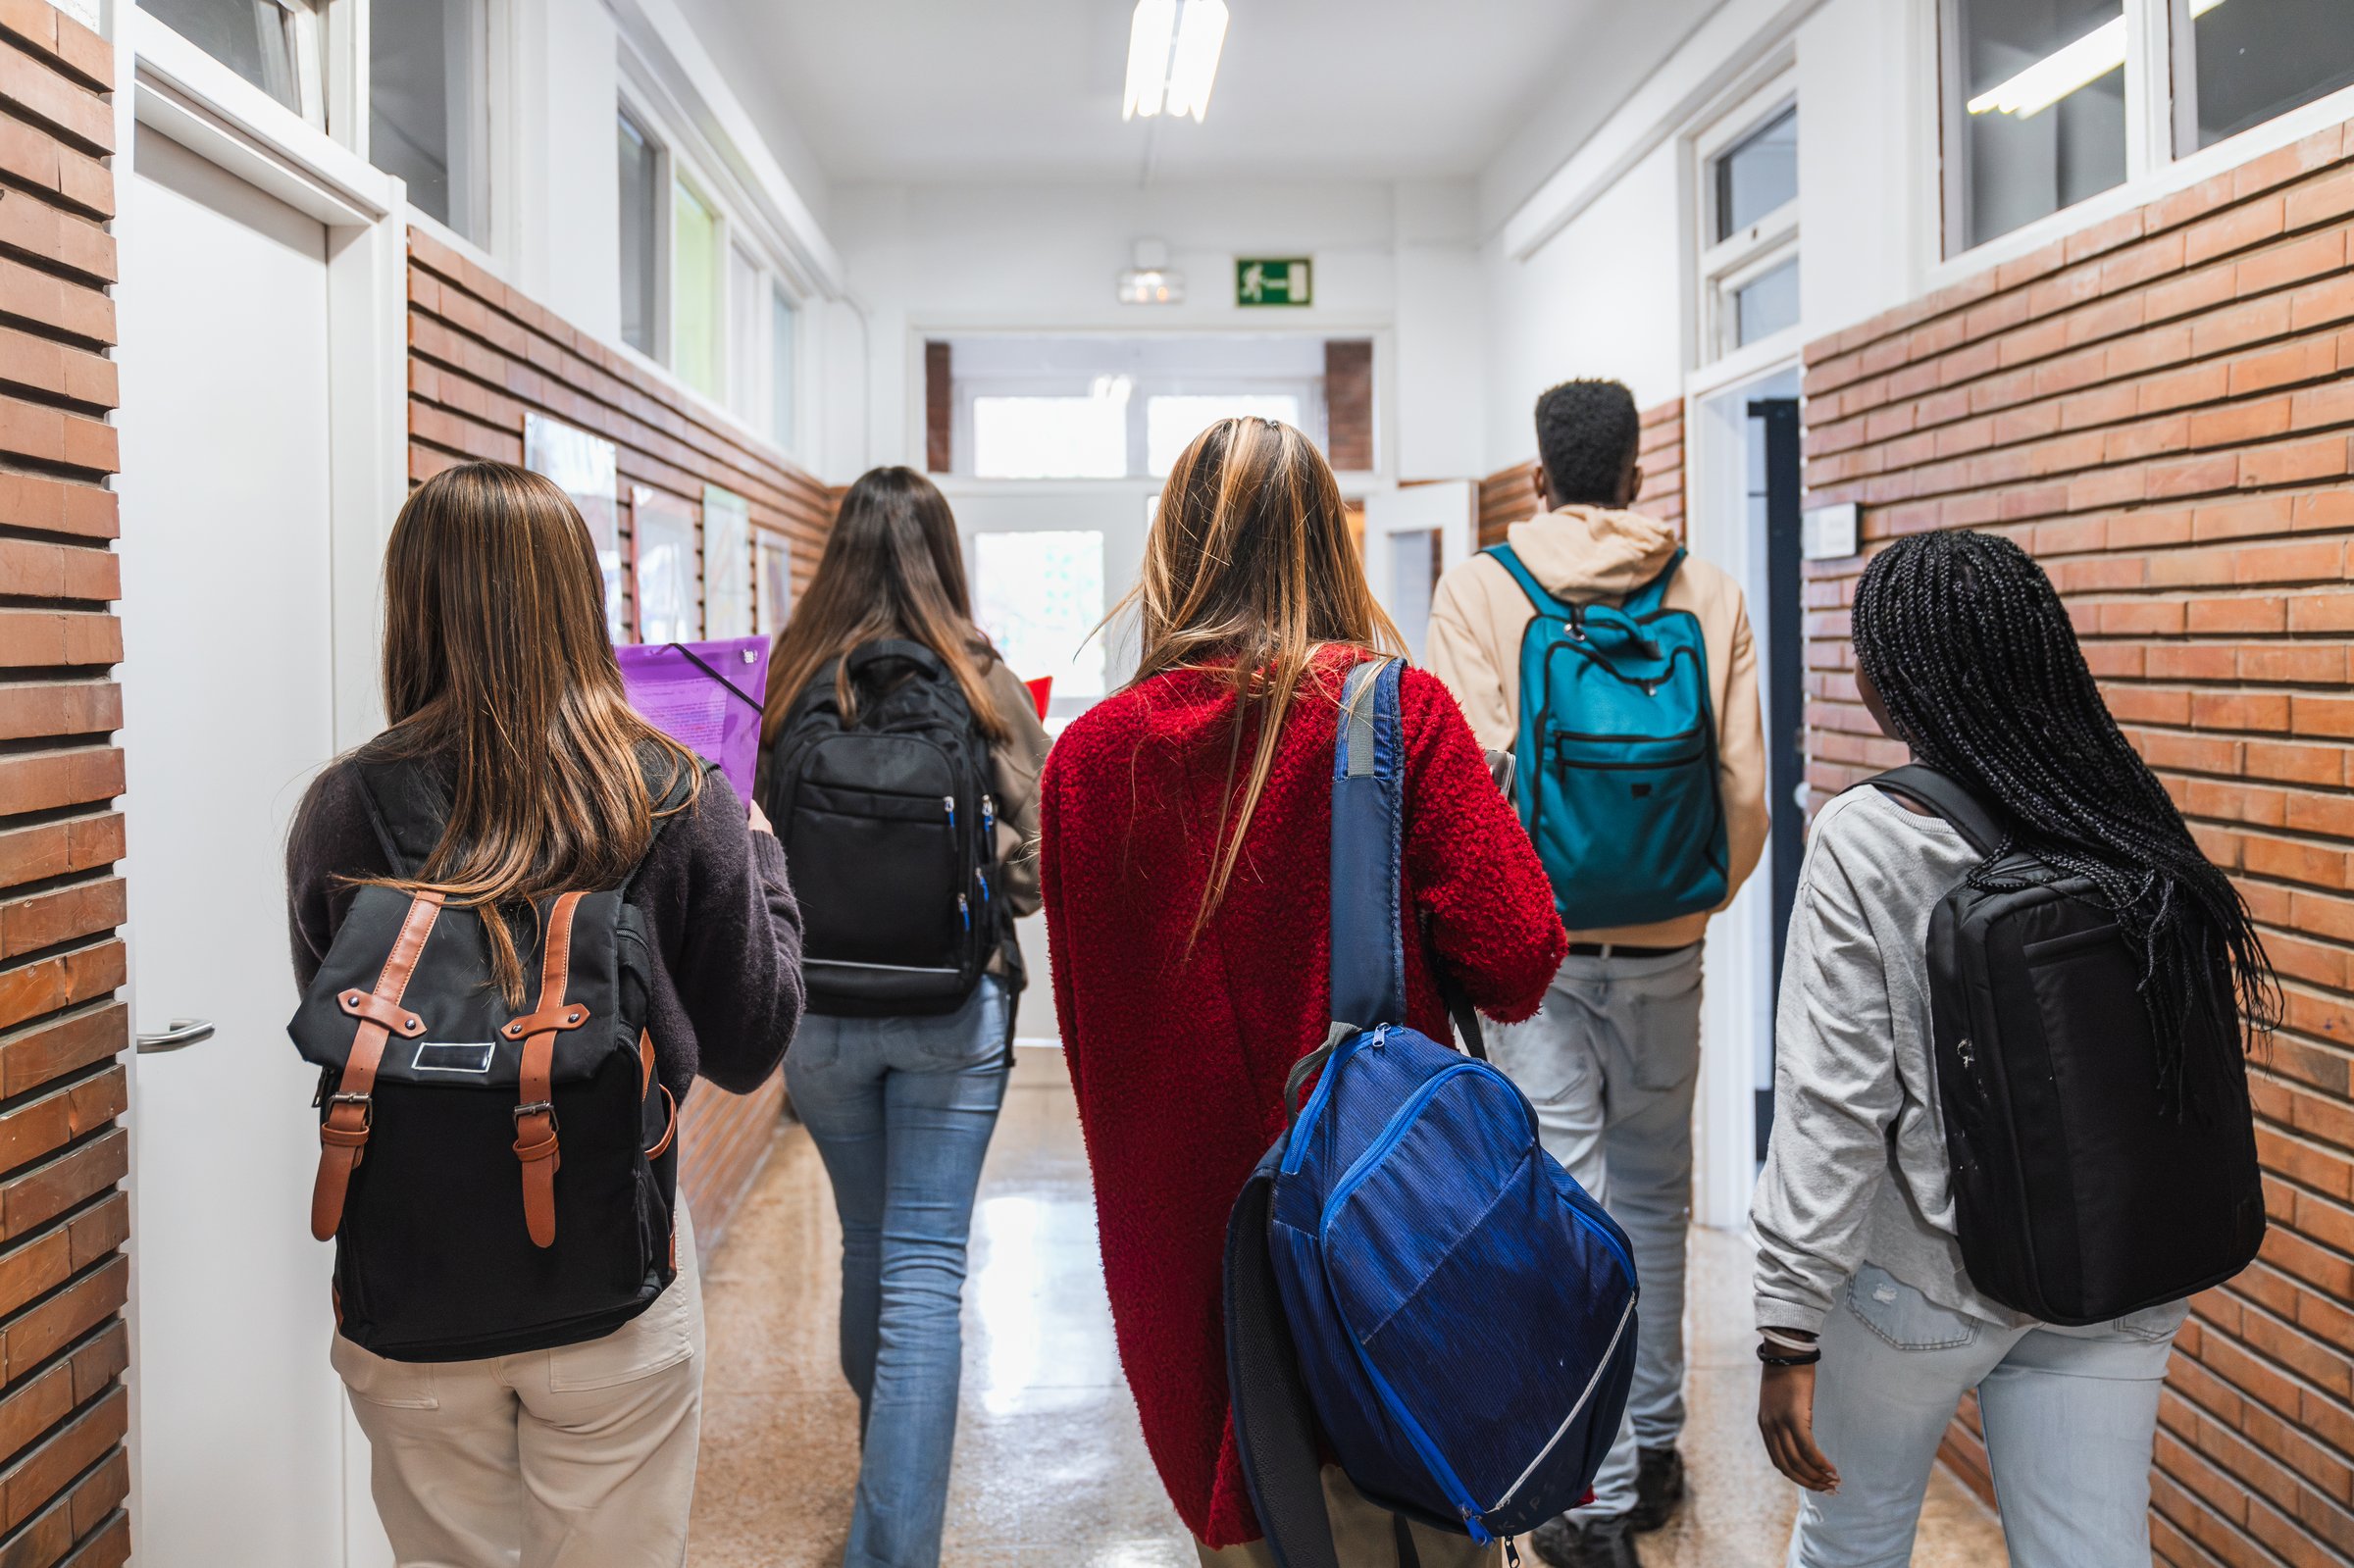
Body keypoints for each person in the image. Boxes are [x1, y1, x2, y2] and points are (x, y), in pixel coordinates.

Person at [1040, 417, 1568, 1568]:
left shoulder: (1086, 758)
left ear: (1170, 554)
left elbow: (1086, 1030)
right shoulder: (1398, 714)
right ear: (1329, 545)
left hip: (1183, 1257)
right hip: (1387, 1228)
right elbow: (1520, 953)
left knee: (1251, 1532)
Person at [285, 461, 803, 1567]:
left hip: (408, 1284)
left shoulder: (345, 803)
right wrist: (762, 862)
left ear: (411, 606)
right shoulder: (673, 793)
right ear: (581, 603)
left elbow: (329, 1017)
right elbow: (756, 1043)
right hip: (614, 1276)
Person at [1752, 530, 2277, 1566]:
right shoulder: (2120, 808)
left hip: (1923, 1284)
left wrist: (1786, 1325)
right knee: (2092, 1551)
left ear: (1889, 676)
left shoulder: (1871, 835)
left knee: (1851, 1539)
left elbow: (1834, 1107)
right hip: (2112, 1266)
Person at [1425, 379, 1767, 1567]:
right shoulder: (1706, 589)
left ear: (1538, 471)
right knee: (1656, 1200)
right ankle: (1655, 1442)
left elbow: (1469, 780)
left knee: (1564, 1202)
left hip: (1541, 951)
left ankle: (1592, 1493)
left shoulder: (1482, 588)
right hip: (1670, 945)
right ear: (1634, 471)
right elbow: (1744, 793)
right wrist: (1692, 903)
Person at [760, 466, 1051, 1568]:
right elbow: (1044, 849)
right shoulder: (980, 680)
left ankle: (886, 1490)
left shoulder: (791, 680)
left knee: (870, 1248)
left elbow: (748, 842)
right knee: (926, 1267)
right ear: (944, 550)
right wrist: (989, 886)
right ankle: (895, 1544)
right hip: (951, 1005)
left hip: (819, 1012)